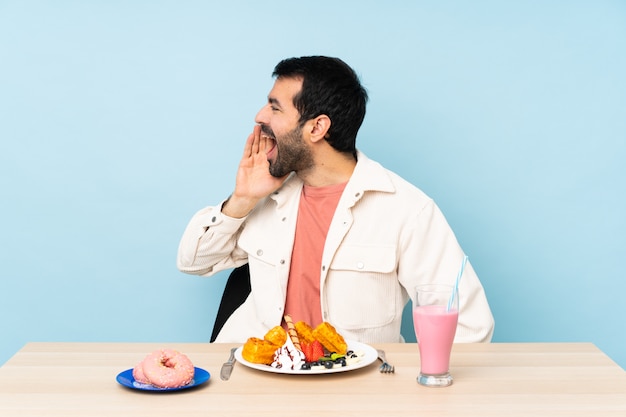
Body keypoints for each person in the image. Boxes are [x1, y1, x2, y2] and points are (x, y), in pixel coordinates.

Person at [177, 56, 494, 344]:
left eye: (275, 107)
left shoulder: (406, 210)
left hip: (358, 388)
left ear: (317, 127)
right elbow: (193, 262)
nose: (260, 116)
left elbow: (470, 327)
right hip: (258, 379)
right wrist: (242, 198)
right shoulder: (266, 197)